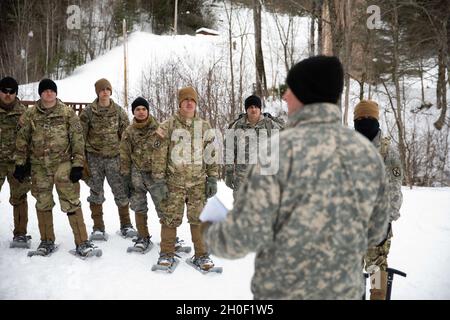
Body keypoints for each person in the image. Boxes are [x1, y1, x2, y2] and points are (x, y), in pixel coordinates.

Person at [202, 56, 391, 299]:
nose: (285, 97)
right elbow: (377, 232)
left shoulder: (277, 151)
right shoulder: (367, 152)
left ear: (304, 94)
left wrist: (209, 230)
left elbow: (244, 236)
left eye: (290, 90)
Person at [14, 78, 99, 257]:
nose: (49, 93)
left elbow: (77, 139)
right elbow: (21, 141)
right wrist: (20, 164)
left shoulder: (68, 113)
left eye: (52, 90)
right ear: (40, 93)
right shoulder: (30, 115)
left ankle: (83, 242)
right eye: (45, 91)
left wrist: (77, 164)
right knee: (42, 202)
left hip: (64, 165)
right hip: (39, 166)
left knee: (71, 201)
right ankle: (46, 241)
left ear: (56, 93)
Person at [155, 86, 219, 270]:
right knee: (169, 218)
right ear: (180, 103)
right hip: (173, 182)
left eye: (192, 100)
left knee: (198, 218)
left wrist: (213, 177)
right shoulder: (167, 125)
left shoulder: (204, 126)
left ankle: (202, 255)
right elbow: (159, 155)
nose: (189, 103)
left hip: (198, 183)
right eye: (186, 100)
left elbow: (211, 153)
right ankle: (166, 253)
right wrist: (159, 180)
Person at [354, 99, 403, 300]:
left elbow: (393, 191)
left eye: (369, 118)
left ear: (377, 120)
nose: (365, 121)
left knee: (376, 271)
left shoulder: (387, 151)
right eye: (360, 118)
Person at [79, 78, 136, 240]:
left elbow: (126, 136)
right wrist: (81, 159)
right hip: (94, 158)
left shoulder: (118, 111)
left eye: (107, 89)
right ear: (97, 92)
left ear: (110, 91)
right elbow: (80, 136)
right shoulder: (88, 112)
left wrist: (127, 158)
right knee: (96, 192)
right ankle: (98, 227)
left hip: (114, 158)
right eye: (102, 89)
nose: (105, 92)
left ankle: (126, 225)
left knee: (121, 191)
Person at [119, 97, 169, 252]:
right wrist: (126, 177)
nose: (141, 112)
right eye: (137, 109)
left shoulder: (159, 128)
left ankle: (169, 238)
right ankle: (142, 236)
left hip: (156, 175)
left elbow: (167, 151)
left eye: (144, 109)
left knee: (163, 207)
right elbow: (125, 154)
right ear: (133, 112)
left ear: (148, 111)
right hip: (137, 174)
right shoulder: (129, 131)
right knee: (138, 206)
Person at [224, 95, 284, 198]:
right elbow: (229, 150)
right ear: (246, 109)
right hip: (243, 177)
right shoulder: (237, 126)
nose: (253, 109)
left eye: (256, 107)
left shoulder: (270, 125)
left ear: (260, 109)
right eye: (250, 107)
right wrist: (229, 172)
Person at [0, 76, 31, 246]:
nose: (7, 94)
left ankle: (20, 234)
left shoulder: (24, 113)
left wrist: (26, 163)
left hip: (16, 163)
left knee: (19, 197)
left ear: (16, 93)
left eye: (11, 92)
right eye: (4, 91)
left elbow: (30, 138)